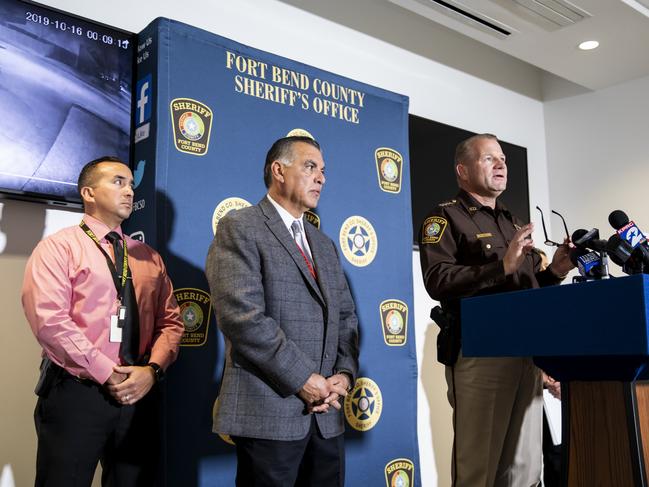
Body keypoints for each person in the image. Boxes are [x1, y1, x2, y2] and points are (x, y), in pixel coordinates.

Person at [419, 134, 574, 487]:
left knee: (524, 470)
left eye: (502, 158)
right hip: (481, 353)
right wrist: (500, 267)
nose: (501, 164)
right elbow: (437, 279)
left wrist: (556, 272)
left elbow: (526, 289)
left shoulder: (512, 221)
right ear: (463, 170)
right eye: (489, 158)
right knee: (479, 470)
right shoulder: (445, 217)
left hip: (527, 356)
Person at [205, 135, 359, 486]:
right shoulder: (240, 226)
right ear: (279, 170)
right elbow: (242, 316)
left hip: (327, 416)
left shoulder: (324, 244)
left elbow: (346, 320)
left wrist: (344, 376)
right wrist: (303, 379)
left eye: (323, 170)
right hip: (269, 412)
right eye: (310, 167)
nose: (321, 177)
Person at [22, 156, 184, 487]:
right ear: (88, 193)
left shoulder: (149, 257)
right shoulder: (59, 247)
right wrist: (105, 370)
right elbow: (50, 321)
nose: (128, 191)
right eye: (118, 182)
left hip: (138, 391)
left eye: (130, 184)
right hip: (77, 392)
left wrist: (151, 371)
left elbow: (171, 323)